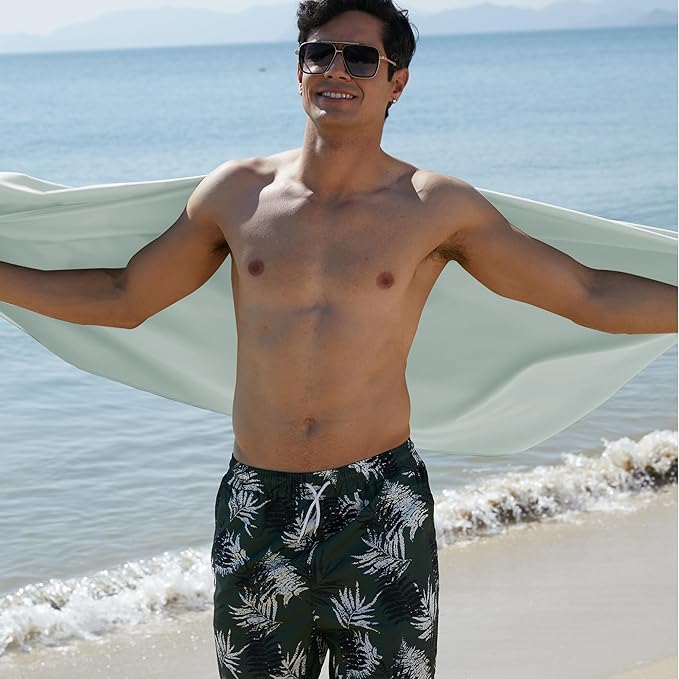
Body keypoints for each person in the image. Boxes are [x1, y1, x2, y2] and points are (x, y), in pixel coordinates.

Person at [1, 0, 676, 676]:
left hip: (378, 501)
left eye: (359, 58)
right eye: (319, 53)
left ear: (396, 81)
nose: (336, 70)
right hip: (257, 503)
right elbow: (125, 296)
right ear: (298, 69)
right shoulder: (236, 194)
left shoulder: (434, 207)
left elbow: (586, 292)